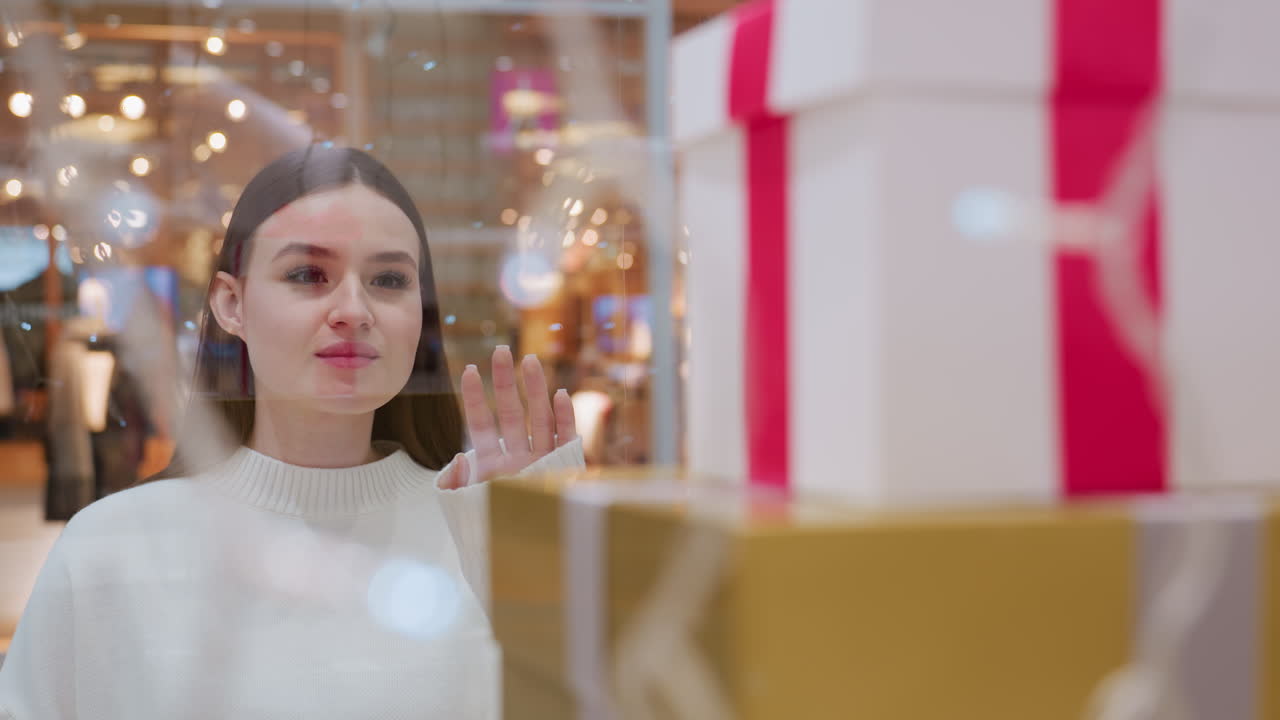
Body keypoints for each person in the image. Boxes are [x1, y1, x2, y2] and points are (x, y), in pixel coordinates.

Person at [0, 146, 583, 718]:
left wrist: (558, 569)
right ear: (233, 303)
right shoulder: (111, 547)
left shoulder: (474, 534)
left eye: (388, 279)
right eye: (308, 274)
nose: (354, 309)